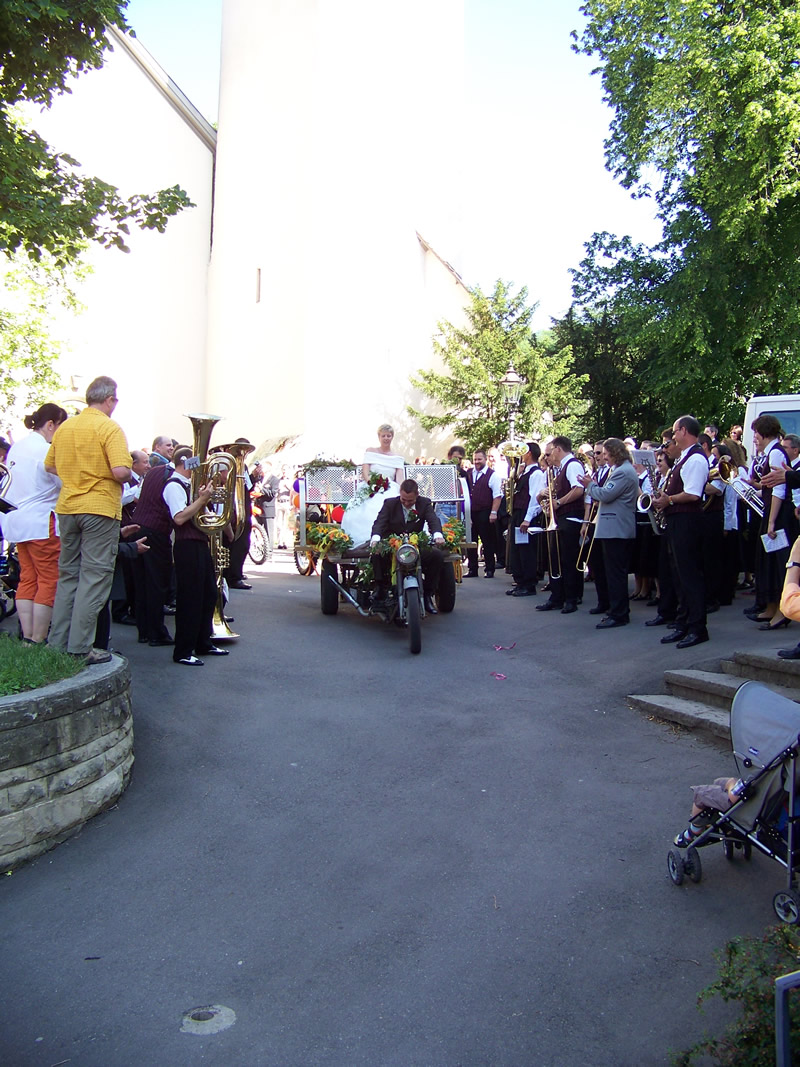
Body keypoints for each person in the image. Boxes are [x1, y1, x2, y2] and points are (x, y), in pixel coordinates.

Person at [44, 376, 131, 664]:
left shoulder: (66, 427)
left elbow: (50, 466)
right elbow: (120, 471)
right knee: (94, 577)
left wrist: (76, 475)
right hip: (99, 508)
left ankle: (57, 642)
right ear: (109, 399)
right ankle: (80, 647)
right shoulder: (109, 427)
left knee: (68, 575)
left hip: (68, 507)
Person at [2, 403, 68, 642]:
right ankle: (38, 638)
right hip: (41, 522)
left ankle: (28, 637)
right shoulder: (45, 450)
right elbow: (62, 483)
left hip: (17, 521)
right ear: (51, 424)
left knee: (28, 578)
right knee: (48, 579)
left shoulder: (18, 447)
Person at [163, 446, 230, 666]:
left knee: (209, 594)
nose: (199, 468)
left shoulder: (188, 485)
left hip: (199, 543)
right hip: (186, 545)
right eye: (195, 463)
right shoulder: (173, 486)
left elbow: (201, 514)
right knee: (190, 599)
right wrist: (202, 501)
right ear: (186, 462)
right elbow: (179, 518)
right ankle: (183, 650)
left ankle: (203, 642)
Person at [651, 415, 710, 649]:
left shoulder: (695, 458)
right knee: (679, 575)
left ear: (684, 431)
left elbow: (693, 494)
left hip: (687, 521)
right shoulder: (684, 457)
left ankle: (697, 628)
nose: (673, 437)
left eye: (675, 432)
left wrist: (669, 500)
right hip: (677, 520)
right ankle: (684, 622)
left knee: (689, 575)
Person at [579, 437, 638, 627]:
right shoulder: (621, 470)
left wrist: (590, 485)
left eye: (605, 453)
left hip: (616, 528)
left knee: (615, 574)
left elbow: (605, 494)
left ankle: (619, 613)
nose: (603, 457)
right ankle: (616, 610)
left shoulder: (622, 472)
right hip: (615, 527)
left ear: (615, 453)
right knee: (613, 572)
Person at [369, 478, 446, 614]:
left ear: (417, 495)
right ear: (400, 493)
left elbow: (433, 520)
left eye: (410, 501)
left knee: (437, 556)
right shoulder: (390, 504)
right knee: (377, 553)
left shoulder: (424, 503)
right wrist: (375, 539)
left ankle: (427, 594)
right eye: (403, 500)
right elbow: (380, 522)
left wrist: (438, 535)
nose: (406, 503)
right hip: (391, 543)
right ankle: (380, 588)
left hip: (414, 545)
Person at [535, 436, 585, 614]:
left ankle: (571, 598)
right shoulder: (561, 468)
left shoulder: (572, 465)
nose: (548, 457)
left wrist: (558, 502)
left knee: (568, 560)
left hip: (570, 518)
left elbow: (578, 489)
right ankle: (557, 597)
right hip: (562, 518)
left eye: (550, 452)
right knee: (556, 559)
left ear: (558, 449)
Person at [341, 423, 404, 545]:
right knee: (367, 505)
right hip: (371, 485)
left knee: (392, 502)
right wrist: (373, 485)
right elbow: (365, 472)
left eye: (389, 435)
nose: (386, 438)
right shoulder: (371, 451)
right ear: (379, 437)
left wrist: (402, 491)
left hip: (390, 486)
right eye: (383, 435)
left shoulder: (397, 457)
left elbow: (400, 479)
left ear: (392, 437)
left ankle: (390, 539)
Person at [507, 443, 544, 597]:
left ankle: (529, 584)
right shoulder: (524, 471)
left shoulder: (537, 473)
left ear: (529, 453)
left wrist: (527, 519)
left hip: (526, 514)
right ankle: (520, 582)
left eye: (523, 451)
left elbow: (535, 498)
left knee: (526, 551)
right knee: (517, 550)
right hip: (518, 513)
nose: (520, 454)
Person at [464, 449, 503, 577]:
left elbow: (497, 496)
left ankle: (489, 569)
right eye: (475, 459)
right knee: (471, 541)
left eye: (479, 459)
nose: (477, 462)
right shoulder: (469, 473)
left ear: (485, 460)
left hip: (485, 511)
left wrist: (493, 512)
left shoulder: (493, 475)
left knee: (487, 541)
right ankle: (472, 569)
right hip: (471, 511)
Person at [673, 776, 743, 847]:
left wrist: (731, 783)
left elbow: (734, 796)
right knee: (718, 782)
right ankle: (712, 825)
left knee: (700, 794)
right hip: (746, 801)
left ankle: (695, 829)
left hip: (738, 803)